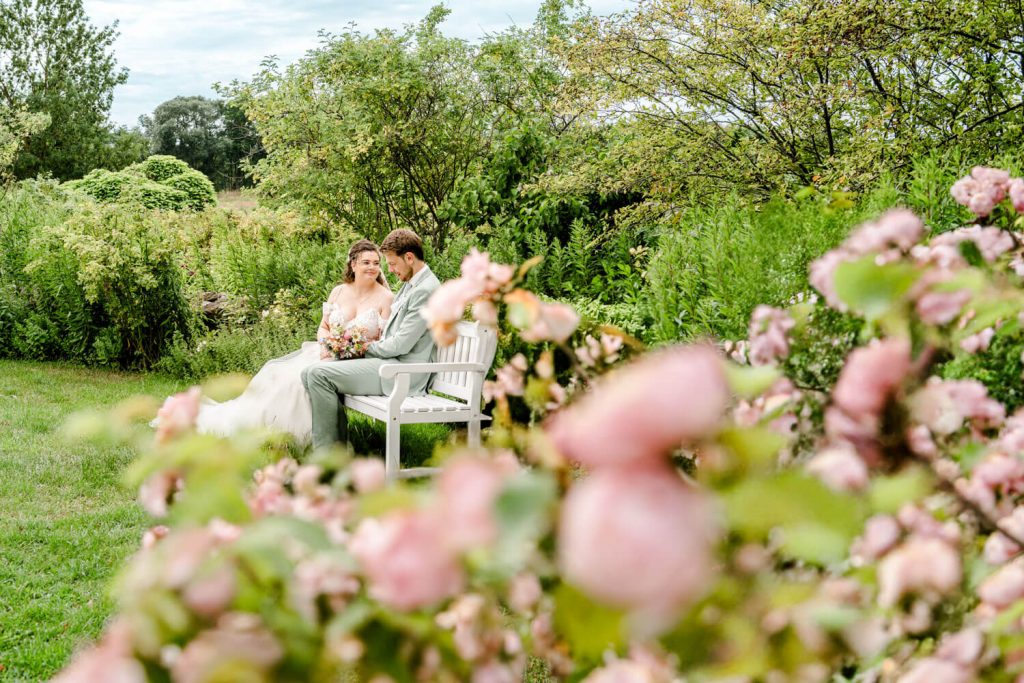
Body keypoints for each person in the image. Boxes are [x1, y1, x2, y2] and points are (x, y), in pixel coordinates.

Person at [190, 239, 393, 445]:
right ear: (353, 264)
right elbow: (323, 327)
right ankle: (263, 430)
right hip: (325, 353)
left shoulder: (386, 298)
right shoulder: (339, 291)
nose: (372, 267)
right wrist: (327, 345)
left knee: (300, 382)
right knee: (278, 375)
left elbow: (383, 339)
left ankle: (300, 439)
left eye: (376, 263)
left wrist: (353, 349)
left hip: (357, 361)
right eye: (366, 262)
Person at [302, 228, 440, 451]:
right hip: (391, 363)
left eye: (392, 264)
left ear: (409, 258)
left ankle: (327, 456)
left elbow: (401, 345)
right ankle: (337, 450)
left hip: (403, 372)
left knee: (318, 374)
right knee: (308, 372)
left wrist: (360, 348)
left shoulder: (425, 290)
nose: (390, 270)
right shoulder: (411, 284)